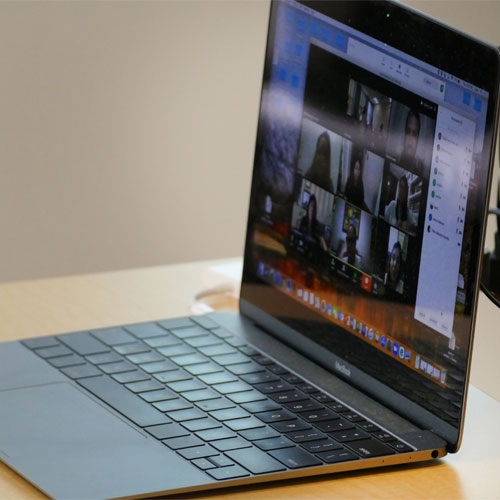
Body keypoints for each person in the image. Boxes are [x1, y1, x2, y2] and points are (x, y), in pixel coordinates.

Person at [401, 109, 423, 174]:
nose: (410, 138)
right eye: (408, 131)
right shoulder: (396, 158)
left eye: (414, 134)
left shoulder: (420, 169)